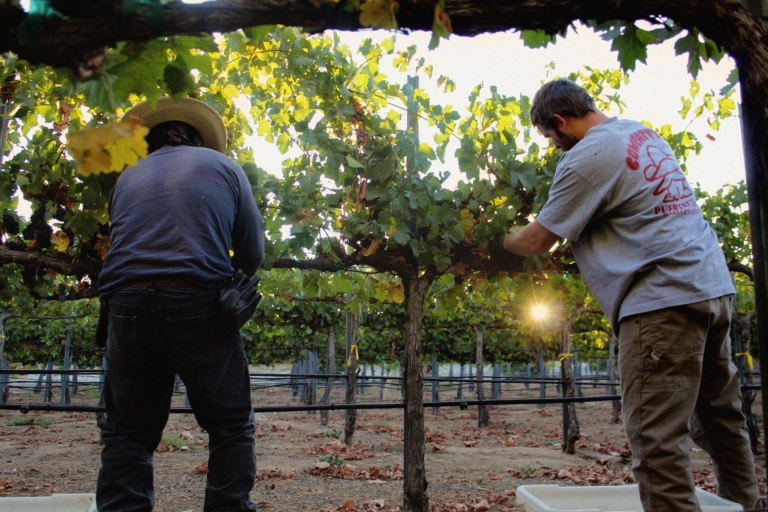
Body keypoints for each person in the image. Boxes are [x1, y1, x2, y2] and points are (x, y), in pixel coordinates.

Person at [494, 79, 759, 512]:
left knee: (656, 440)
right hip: (711, 287)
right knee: (720, 419)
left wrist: (497, 245)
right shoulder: (640, 133)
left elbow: (540, 239)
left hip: (661, 301)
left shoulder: (588, 156)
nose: (554, 146)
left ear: (559, 122)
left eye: (550, 137)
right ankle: (744, 506)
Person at [96, 96, 265, 512]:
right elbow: (252, 253)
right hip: (198, 302)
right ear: (197, 138)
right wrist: (231, 285)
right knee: (229, 426)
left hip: (125, 304)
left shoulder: (126, 176)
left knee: (127, 433)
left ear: (150, 142)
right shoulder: (225, 168)